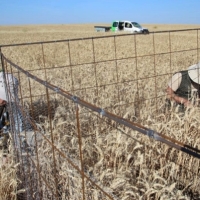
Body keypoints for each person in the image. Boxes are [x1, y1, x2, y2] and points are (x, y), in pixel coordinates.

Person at [0, 71, 32, 154]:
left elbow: (19, 127)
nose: (4, 101)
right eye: (2, 97)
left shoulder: (11, 107)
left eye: (6, 98)